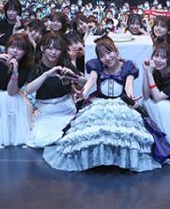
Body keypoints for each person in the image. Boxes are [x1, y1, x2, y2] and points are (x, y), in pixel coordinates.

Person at [43, 37, 160, 172]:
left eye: (109, 52)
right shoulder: (97, 66)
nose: (107, 58)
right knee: (95, 130)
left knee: (122, 132)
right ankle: (97, 159)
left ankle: (119, 159)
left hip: (120, 103)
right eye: (102, 55)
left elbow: (129, 85)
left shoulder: (128, 67)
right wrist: (83, 92)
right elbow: (92, 79)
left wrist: (131, 98)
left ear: (116, 51)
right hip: (100, 102)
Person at [24, 33, 82, 148]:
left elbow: (84, 83)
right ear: (42, 48)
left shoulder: (65, 64)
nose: (53, 52)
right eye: (50, 48)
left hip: (66, 108)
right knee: (40, 140)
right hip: (47, 110)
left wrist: (73, 77)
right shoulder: (36, 66)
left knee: (74, 138)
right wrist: (46, 74)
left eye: (57, 49)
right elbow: (29, 89)